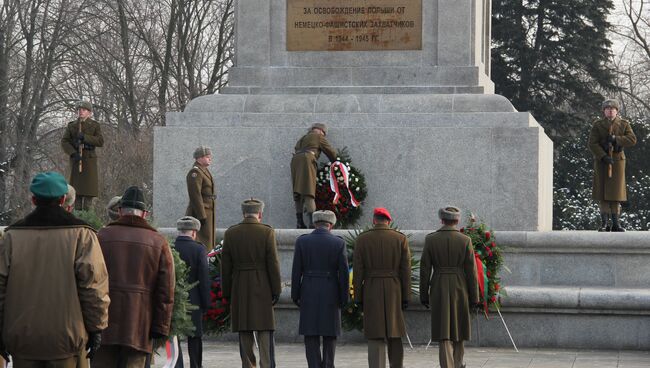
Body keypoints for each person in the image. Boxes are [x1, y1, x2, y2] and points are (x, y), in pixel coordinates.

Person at [0, 171, 109, 368]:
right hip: (67, 340)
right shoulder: (82, 235)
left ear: (33, 199)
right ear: (62, 199)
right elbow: (93, 288)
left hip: (22, 340)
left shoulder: (11, 237)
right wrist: (96, 329)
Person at [95, 186, 175, 368]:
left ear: (120, 211)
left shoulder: (101, 236)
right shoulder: (158, 242)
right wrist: (161, 328)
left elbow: (90, 282)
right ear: (145, 213)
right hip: (140, 327)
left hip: (104, 326)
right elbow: (166, 291)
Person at [221, 198, 282, 368]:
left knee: (244, 330)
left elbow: (225, 267)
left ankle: (248, 365)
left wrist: (227, 292)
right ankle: (267, 365)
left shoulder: (231, 233)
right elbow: (273, 263)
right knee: (265, 330)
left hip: (240, 286)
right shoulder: (267, 232)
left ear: (243, 214)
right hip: (262, 285)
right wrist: (276, 290)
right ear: (260, 214)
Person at [420, 206, 479, 368]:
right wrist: (475, 298)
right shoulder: (465, 240)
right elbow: (471, 272)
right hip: (460, 286)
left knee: (443, 330)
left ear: (442, 220)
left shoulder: (431, 239)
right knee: (459, 327)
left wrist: (423, 295)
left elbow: (425, 269)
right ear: (457, 220)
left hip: (439, 285)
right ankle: (458, 363)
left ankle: (447, 365)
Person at [352, 208, 411, 368]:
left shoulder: (363, 239)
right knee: (395, 332)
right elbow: (406, 270)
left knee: (375, 334)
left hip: (372, 288)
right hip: (394, 289)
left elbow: (358, 271)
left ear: (373, 220)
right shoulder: (400, 239)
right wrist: (406, 296)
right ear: (388, 221)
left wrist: (358, 297)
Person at [291, 210, 349, 368]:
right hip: (331, 291)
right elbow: (343, 274)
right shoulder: (338, 243)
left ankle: (314, 365)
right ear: (330, 225)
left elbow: (296, 271)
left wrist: (295, 295)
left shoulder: (302, 242)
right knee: (330, 334)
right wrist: (344, 299)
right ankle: (328, 364)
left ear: (315, 223)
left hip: (308, 290)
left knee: (311, 334)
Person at [588, 98, 637, 232]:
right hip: (602, 162)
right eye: (607, 109)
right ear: (604, 111)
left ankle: (616, 223)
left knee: (616, 193)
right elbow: (592, 143)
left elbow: (632, 139)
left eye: (613, 109)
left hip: (617, 162)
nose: (610, 111)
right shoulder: (598, 125)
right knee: (603, 193)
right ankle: (604, 223)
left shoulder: (624, 124)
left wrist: (616, 139)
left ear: (617, 111)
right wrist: (603, 156)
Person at [173, 216, 210, 368]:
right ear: (194, 232)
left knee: (174, 336)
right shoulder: (199, 249)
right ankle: (195, 365)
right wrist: (206, 303)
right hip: (193, 300)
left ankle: (177, 364)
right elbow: (204, 278)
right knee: (194, 338)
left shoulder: (171, 247)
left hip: (174, 298)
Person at [291, 123, 338, 229]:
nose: (323, 135)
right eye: (324, 133)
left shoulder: (302, 138)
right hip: (306, 161)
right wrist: (337, 162)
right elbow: (331, 153)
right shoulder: (318, 137)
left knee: (297, 193)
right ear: (321, 131)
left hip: (295, 162)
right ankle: (312, 223)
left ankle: (299, 222)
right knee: (308, 192)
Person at [61, 100, 104, 211]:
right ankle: (77, 216)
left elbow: (100, 141)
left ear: (89, 112)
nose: (81, 112)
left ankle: (88, 218)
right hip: (77, 160)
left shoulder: (95, 125)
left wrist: (85, 137)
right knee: (76, 193)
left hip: (89, 161)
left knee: (88, 194)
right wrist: (73, 153)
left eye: (83, 110)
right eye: (79, 110)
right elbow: (64, 141)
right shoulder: (72, 126)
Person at [186, 146, 216, 250]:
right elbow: (195, 195)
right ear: (199, 158)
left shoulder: (204, 171)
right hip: (200, 213)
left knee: (207, 242)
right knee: (201, 242)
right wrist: (201, 215)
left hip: (207, 211)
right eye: (207, 156)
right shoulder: (195, 172)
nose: (210, 159)